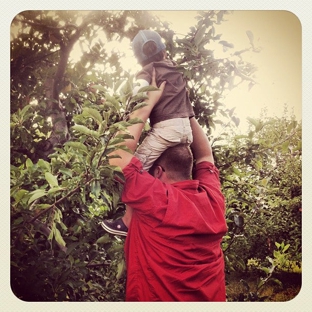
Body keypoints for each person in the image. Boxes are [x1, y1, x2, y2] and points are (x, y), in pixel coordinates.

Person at [104, 70, 228, 301]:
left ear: (158, 172)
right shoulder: (212, 201)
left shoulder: (158, 199)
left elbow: (117, 155)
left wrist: (149, 100)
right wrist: (182, 108)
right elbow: (206, 156)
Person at [102, 29, 195, 236]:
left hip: (166, 128)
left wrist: (132, 107)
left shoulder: (148, 71)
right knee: (174, 167)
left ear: (138, 59)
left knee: (133, 170)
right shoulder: (175, 68)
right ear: (163, 50)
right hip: (186, 130)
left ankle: (127, 221)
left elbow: (138, 91)